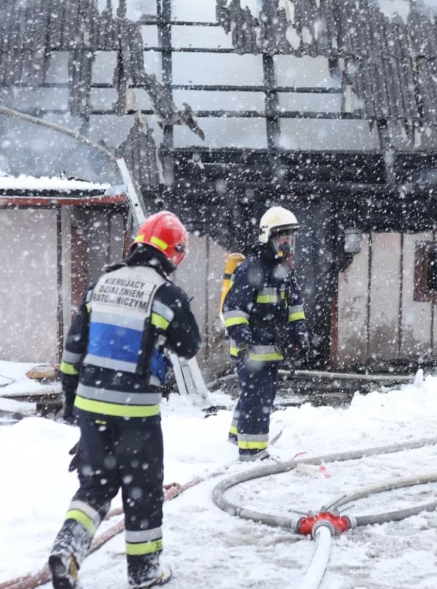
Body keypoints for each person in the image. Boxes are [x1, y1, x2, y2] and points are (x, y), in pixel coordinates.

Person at [50, 211, 201, 589]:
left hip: (90, 405)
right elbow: (190, 346)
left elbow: (72, 353)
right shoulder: (167, 294)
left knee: (95, 486)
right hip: (136, 412)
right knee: (143, 491)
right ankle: (145, 573)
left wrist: (72, 407)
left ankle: (68, 549)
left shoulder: (100, 284)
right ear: (175, 253)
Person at [222, 206, 309, 461]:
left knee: (262, 394)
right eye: (282, 236)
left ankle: (237, 435)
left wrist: (299, 333)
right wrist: (244, 338)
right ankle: (252, 450)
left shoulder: (285, 271)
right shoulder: (252, 268)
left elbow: (294, 306)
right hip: (251, 349)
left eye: (290, 237)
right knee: (256, 397)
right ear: (268, 237)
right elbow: (233, 308)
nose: (287, 242)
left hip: (270, 348)